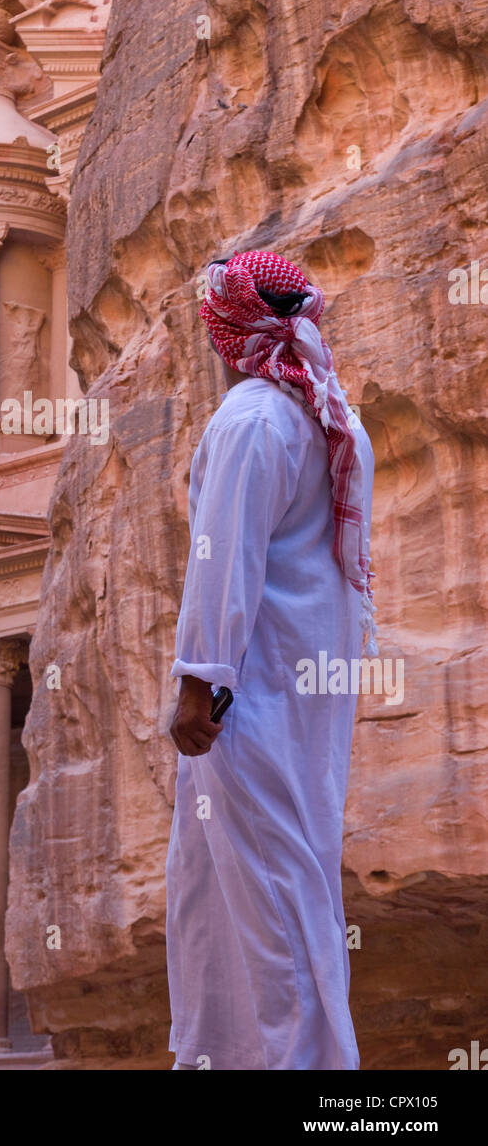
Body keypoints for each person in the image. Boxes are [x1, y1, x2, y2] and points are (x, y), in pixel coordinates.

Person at [165, 249, 376, 1071]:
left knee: (270, 899)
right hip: (298, 695)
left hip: (245, 702)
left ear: (230, 334)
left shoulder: (252, 417)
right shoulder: (330, 415)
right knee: (215, 896)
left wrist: (201, 685)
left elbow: (225, 559)